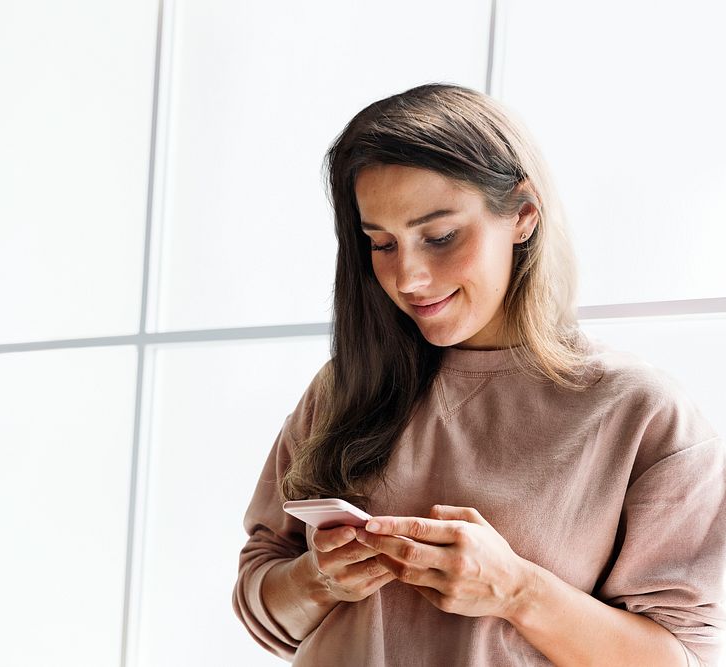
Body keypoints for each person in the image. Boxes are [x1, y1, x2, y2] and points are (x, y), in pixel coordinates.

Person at [232, 82, 726, 666]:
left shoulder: (640, 413)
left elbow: (680, 658)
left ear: (522, 215)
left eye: (440, 237)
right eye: (382, 243)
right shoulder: (346, 388)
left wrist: (519, 591)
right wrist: (318, 579)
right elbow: (262, 596)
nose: (409, 277)